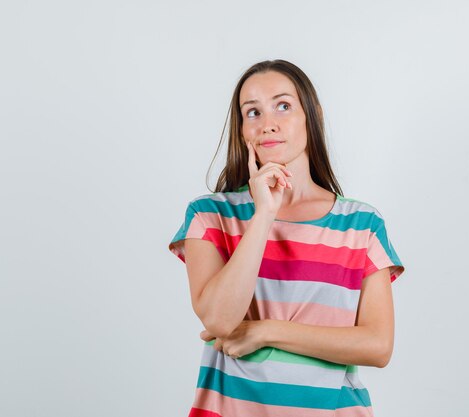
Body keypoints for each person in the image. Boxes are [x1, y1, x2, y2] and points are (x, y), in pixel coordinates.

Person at [168, 59, 405, 417]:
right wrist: (263, 213)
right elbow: (219, 320)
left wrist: (266, 332)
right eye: (253, 112)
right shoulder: (210, 215)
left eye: (283, 105)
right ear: (241, 128)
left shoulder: (362, 224)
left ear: (313, 115)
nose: (268, 124)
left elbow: (377, 346)